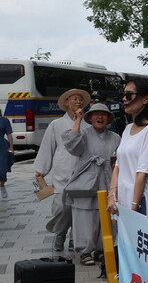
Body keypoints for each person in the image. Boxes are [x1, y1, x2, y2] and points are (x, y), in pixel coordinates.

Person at [62, 103, 121, 264]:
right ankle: (85, 251)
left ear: (109, 118)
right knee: (85, 217)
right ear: (90, 118)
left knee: (107, 218)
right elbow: (71, 146)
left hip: (107, 181)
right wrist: (78, 119)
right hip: (86, 184)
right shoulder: (84, 134)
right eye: (96, 114)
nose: (99, 117)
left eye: (103, 114)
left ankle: (103, 249)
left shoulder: (116, 137)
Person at [36, 88, 90, 249]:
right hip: (62, 171)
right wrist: (41, 170)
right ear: (66, 102)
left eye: (80, 99)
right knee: (61, 207)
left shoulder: (87, 125)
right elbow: (47, 147)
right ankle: (60, 233)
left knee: (79, 208)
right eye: (74, 99)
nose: (78, 102)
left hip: (82, 172)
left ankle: (75, 238)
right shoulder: (56, 125)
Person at [108, 77, 148, 221]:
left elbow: (143, 172)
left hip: (142, 202)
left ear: (146, 99)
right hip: (123, 201)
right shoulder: (128, 129)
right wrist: (112, 195)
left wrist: (135, 206)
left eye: (129, 95)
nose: (124, 99)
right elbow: (118, 166)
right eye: (124, 95)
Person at [0, 109, 13, 199]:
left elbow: (9, 134)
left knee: (2, 169)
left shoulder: (4, 121)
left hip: (2, 147)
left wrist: (11, 147)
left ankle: (2, 186)